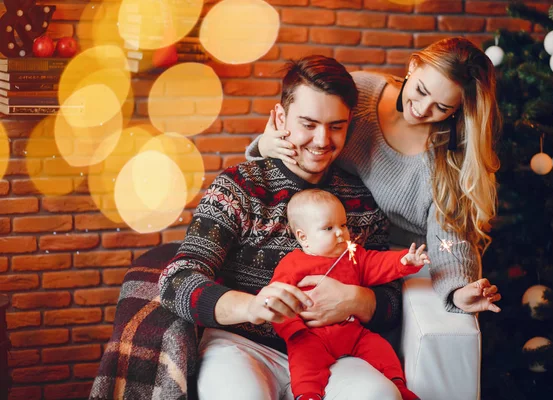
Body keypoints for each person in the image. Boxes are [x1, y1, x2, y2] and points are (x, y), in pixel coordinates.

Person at [159, 55, 409, 400]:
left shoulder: (362, 199)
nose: (322, 141)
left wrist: (357, 299)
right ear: (280, 118)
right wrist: (251, 306)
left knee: (378, 396)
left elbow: (393, 299)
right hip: (245, 346)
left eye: (336, 126)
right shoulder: (239, 187)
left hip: (337, 350)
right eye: (308, 123)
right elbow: (177, 279)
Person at [247, 37, 503, 315]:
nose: (422, 108)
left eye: (442, 108)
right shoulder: (362, 91)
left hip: (398, 254)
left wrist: (458, 289)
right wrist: (265, 145)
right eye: (421, 90)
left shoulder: (450, 157)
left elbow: (449, 234)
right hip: (329, 234)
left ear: (458, 110)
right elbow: (306, 129)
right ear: (413, 65)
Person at [271, 189, 428, 400]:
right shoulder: (292, 264)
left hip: (351, 331)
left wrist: (404, 261)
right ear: (303, 237)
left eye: (343, 225)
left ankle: (397, 385)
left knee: (381, 349)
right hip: (310, 335)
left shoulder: (353, 255)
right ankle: (307, 395)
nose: (340, 233)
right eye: (328, 228)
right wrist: (293, 330)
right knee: (305, 363)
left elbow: (377, 263)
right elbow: (277, 300)